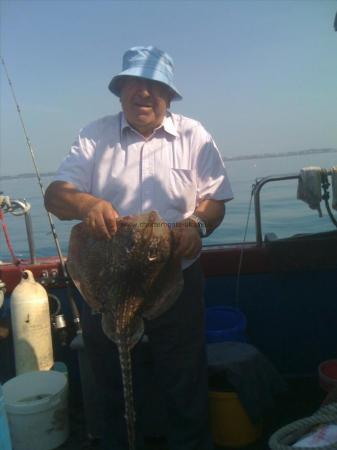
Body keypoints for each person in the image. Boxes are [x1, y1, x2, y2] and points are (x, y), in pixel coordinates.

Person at [45, 46, 233, 450]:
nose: (143, 93)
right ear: (120, 91)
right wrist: (88, 204)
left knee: (185, 380)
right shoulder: (95, 136)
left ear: (168, 95)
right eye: (134, 83)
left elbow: (215, 201)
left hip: (174, 278)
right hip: (107, 284)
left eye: (154, 85)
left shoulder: (193, 135)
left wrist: (196, 224)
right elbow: (55, 196)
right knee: (108, 383)